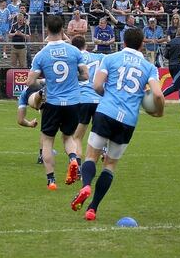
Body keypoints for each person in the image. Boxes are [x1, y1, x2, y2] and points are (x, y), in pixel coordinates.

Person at [70, 28, 163, 221]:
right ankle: (92, 208)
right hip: (128, 120)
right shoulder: (149, 67)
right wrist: (158, 112)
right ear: (142, 43)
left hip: (106, 112)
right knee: (110, 165)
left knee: (91, 156)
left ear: (123, 41)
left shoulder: (110, 58)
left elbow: (96, 85)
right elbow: (157, 95)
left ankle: (86, 184)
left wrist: (109, 98)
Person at [24, 15, 89, 190]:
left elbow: (30, 82)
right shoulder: (74, 51)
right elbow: (85, 75)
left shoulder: (41, 54)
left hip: (52, 102)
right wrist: (73, 78)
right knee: (68, 137)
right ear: (63, 30)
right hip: (74, 102)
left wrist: (45, 83)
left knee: (47, 140)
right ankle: (74, 159)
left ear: (47, 30)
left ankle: (51, 180)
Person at [71, 36, 104, 150]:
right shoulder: (99, 57)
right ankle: (103, 150)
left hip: (82, 99)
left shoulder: (72, 59)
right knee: (99, 135)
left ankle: (77, 163)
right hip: (99, 99)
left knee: (77, 137)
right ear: (86, 45)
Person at [16, 82, 46, 164]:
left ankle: (42, 156)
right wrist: (30, 124)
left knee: (45, 129)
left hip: (38, 96)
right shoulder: (24, 95)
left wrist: (30, 124)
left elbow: (20, 120)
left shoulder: (24, 95)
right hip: (46, 97)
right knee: (46, 129)